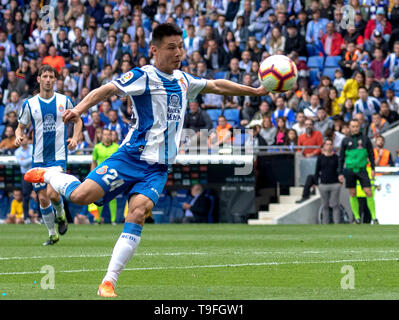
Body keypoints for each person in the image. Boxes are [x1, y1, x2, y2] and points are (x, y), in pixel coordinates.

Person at [24, 23, 268, 297]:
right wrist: (78, 109)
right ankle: (49, 175)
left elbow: (216, 85)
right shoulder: (143, 76)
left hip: (158, 169)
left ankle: (108, 281)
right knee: (81, 197)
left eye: (180, 47)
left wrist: (255, 91)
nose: (178, 53)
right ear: (155, 49)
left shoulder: (184, 80)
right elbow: (106, 90)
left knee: (138, 212)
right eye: (171, 47)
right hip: (130, 158)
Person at [15, 65, 82, 246]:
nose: (47, 79)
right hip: (38, 159)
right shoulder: (30, 104)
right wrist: (18, 136)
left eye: (51, 77)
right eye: (44, 76)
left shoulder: (64, 101)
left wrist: (75, 138)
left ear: (55, 80)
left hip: (58, 156)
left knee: (53, 193)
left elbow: (78, 120)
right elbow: (20, 126)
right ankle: (53, 234)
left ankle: (61, 216)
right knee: (43, 198)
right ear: (38, 79)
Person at [338, 119, 378, 225]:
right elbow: (341, 157)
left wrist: (373, 168)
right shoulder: (345, 140)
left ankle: (374, 218)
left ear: (359, 127)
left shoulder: (365, 139)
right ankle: (357, 218)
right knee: (353, 193)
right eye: (353, 126)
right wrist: (340, 173)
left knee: (368, 192)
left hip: (362, 170)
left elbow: (371, 154)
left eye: (356, 126)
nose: (355, 128)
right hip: (350, 170)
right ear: (349, 128)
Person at [90, 128, 119, 225]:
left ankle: (113, 220)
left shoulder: (116, 147)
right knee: (98, 197)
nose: (107, 136)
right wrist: (91, 175)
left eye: (108, 134)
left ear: (111, 136)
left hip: (112, 175)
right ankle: (97, 220)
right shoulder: (97, 147)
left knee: (113, 197)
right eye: (105, 134)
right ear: (101, 136)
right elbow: (94, 162)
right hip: (99, 175)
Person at [314, 139, 341, 224]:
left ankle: (337, 223)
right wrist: (317, 183)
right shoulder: (320, 158)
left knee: (335, 205)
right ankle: (325, 223)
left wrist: (340, 181)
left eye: (330, 144)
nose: (329, 146)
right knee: (325, 205)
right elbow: (317, 171)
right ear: (324, 146)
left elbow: (340, 170)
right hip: (323, 184)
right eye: (327, 144)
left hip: (335, 184)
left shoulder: (336, 157)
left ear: (332, 146)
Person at [14, 132, 33, 221]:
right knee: (26, 196)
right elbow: (23, 164)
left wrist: (27, 159)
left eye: (24, 138)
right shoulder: (17, 152)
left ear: (27, 139)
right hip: (25, 176)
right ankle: (26, 218)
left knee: (41, 195)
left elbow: (26, 161)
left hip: (36, 174)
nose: (23, 140)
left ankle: (41, 217)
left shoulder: (33, 148)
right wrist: (32, 158)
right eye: (21, 139)